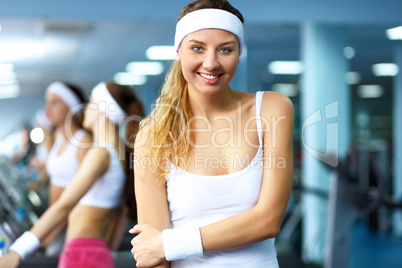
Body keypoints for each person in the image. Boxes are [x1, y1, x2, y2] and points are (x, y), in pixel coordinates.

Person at [129, 0, 294, 267]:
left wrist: (170, 244)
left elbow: (268, 220)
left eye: (225, 50)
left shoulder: (272, 109)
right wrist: (161, 247)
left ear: (239, 54)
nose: (211, 63)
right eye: (197, 48)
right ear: (178, 52)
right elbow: (152, 251)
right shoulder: (153, 135)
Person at [0, 81, 142, 268]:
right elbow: (121, 212)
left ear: (102, 110)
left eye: (90, 103)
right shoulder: (117, 153)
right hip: (91, 253)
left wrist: (18, 250)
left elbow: (64, 206)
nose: (85, 109)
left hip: (82, 254)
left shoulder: (101, 153)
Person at [41, 81, 92, 255]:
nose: (48, 108)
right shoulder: (57, 137)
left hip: (68, 226)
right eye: (47, 102)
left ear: (71, 107)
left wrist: (50, 234)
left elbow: (80, 197)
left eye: (55, 102)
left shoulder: (83, 141)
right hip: (53, 222)